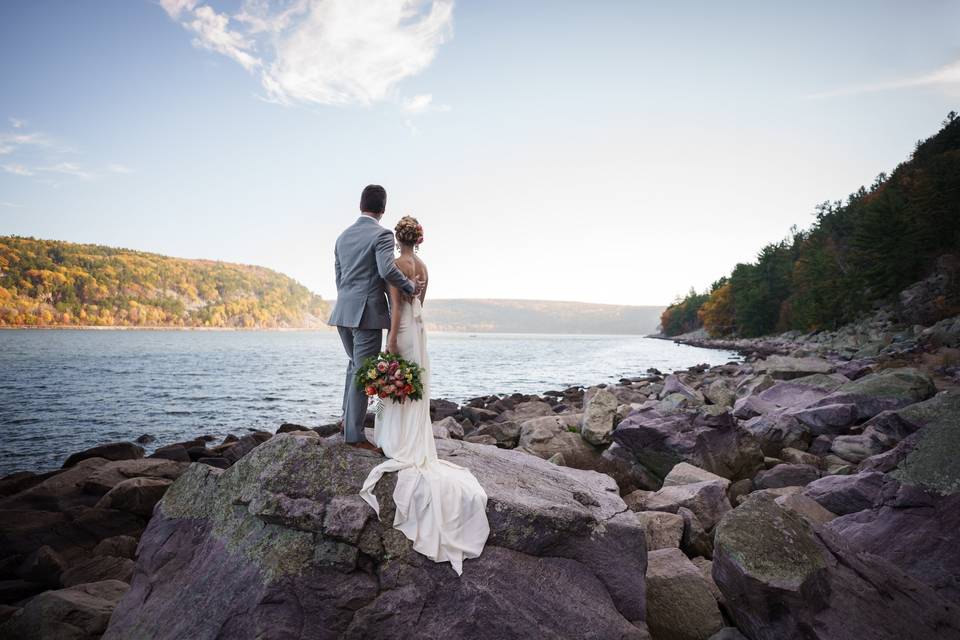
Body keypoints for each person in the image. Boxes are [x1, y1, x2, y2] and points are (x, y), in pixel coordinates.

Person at [359, 215, 490, 575]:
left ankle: (396, 439)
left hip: (402, 329)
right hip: (420, 331)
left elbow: (398, 305)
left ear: (398, 238)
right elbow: (421, 305)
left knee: (399, 383)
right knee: (415, 387)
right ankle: (413, 439)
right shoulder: (423, 266)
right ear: (419, 239)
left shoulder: (397, 264)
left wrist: (389, 343)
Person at [328, 185, 423, 451]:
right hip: (366, 314)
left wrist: (347, 301)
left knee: (353, 365)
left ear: (360, 204)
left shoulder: (342, 237)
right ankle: (354, 436)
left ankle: (347, 420)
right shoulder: (382, 234)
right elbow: (385, 268)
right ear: (383, 209)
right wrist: (409, 286)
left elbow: (339, 277)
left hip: (342, 312)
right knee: (362, 372)